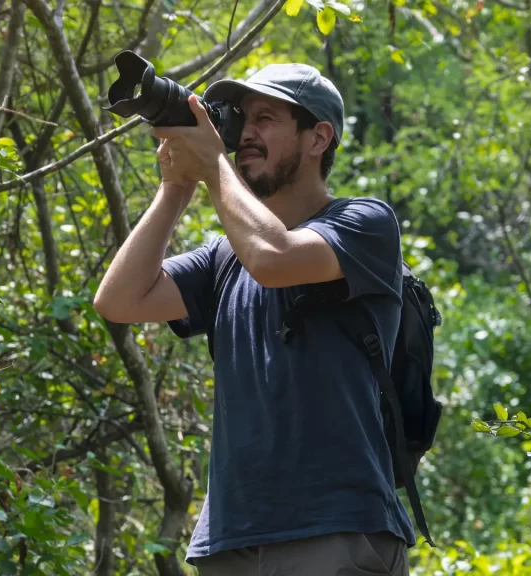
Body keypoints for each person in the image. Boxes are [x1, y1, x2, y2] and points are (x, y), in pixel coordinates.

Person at [93, 62, 414, 575]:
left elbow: (274, 259)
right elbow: (119, 300)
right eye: (241, 120)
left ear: (319, 138)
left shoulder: (365, 225)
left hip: (335, 529)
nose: (245, 134)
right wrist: (176, 186)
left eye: (266, 118)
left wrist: (213, 162)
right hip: (231, 540)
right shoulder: (223, 258)